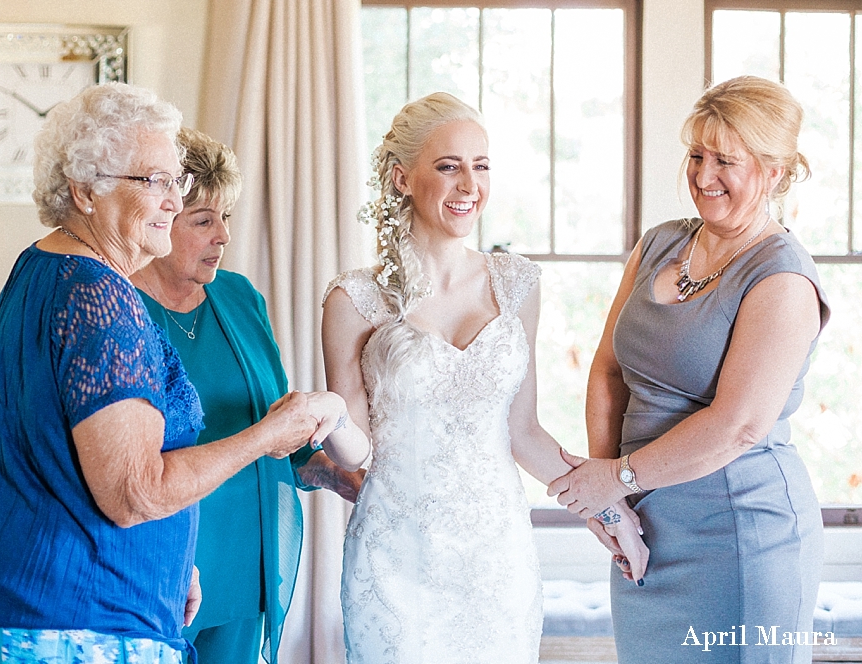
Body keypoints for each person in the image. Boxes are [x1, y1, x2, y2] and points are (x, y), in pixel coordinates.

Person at [0, 83, 340, 663]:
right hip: (79, 627)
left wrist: (176, 562)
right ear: (84, 192)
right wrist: (265, 437)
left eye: (175, 181)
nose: (174, 202)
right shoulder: (99, 296)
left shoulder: (41, 270)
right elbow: (135, 492)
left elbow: (74, 466)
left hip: (38, 611)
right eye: (153, 181)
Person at [321, 92, 648, 664]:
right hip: (396, 559)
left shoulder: (516, 283)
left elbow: (523, 433)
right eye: (449, 166)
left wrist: (607, 509)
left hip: (497, 560)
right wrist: (321, 419)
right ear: (402, 179)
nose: (469, 184)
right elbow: (355, 449)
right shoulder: (355, 299)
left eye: (481, 165)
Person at [547, 76, 829, 664]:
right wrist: (612, 500)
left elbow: (739, 427)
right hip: (644, 528)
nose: (703, 177)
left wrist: (616, 480)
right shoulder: (657, 245)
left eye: (725, 160)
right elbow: (607, 373)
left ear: (773, 171)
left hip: (743, 539)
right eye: (696, 156)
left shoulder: (782, 277)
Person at [130, 128, 366, 664]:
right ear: (159, 220)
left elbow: (276, 425)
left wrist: (332, 470)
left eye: (226, 218)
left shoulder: (239, 297)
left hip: (246, 555)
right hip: (165, 562)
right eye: (203, 220)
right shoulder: (123, 311)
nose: (222, 236)